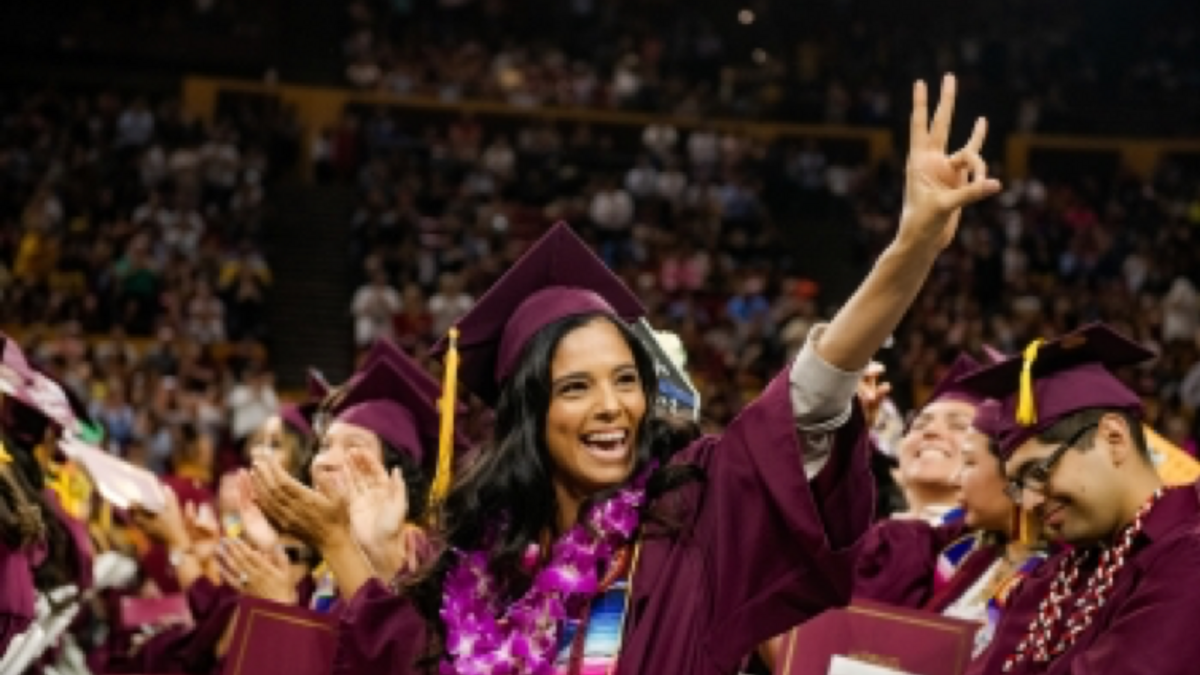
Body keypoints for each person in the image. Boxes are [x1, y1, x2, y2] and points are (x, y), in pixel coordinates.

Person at [305, 73, 1003, 675]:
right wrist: (356, 547)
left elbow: (813, 396)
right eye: (576, 387)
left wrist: (908, 252)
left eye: (626, 379)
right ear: (531, 413)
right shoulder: (482, 568)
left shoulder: (690, 520)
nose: (613, 406)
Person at [959, 323, 1200, 675]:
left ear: (1114, 439)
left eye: (1038, 472)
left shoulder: (1187, 552)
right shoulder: (1055, 575)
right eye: (1018, 485)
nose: (1028, 503)